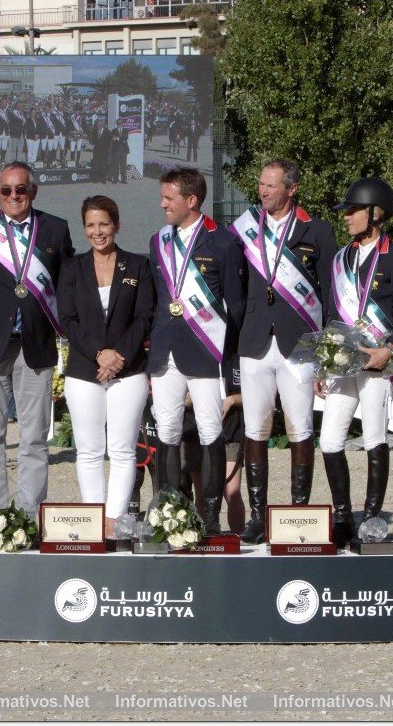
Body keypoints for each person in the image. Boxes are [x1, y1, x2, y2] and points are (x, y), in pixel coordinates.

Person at [0, 161, 74, 510]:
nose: (13, 196)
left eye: (21, 189)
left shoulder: (55, 229)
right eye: (6, 190)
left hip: (35, 344)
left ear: (32, 192)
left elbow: (64, 285)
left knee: (35, 436)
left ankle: (28, 512)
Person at [232, 159, 337, 544]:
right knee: (255, 430)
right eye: (261, 184)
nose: (263, 192)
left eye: (272, 186)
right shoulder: (243, 229)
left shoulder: (318, 230)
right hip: (255, 339)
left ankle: (297, 515)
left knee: (300, 429)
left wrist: (327, 353)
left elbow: (329, 294)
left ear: (292, 189)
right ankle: (259, 517)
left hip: (300, 344)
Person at [317, 177, 393, 547]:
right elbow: (332, 313)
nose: (346, 217)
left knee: (375, 434)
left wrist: (389, 349)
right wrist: (322, 363)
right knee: (330, 439)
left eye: (353, 210)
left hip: (378, 362)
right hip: (344, 362)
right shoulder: (341, 258)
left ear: (375, 214)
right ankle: (343, 516)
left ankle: (372, 520)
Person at [147, 167, 246, 534]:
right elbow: (160, 298)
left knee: (209, 430)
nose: (162, 205)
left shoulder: (223, 241)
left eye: (168, 198)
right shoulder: (160, 240)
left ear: (191, 200)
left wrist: (231, 362)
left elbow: (235, 307)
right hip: (166, 350)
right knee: (167, 430)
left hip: (207, 350)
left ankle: (210, 514)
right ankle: (169, 512)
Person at [57, 196, 155, 537]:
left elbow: (144, 317)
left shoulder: (137, 266)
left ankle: (115, 522)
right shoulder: (72, 268)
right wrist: (100, 353)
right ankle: (92, 519)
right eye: (90, 225)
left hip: (128, 371)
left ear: (116, 225)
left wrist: (117, 357)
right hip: (85, 370)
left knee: (123, 450)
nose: (97, 232)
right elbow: (67, 319)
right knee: (88, 450)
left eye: (103, 224)